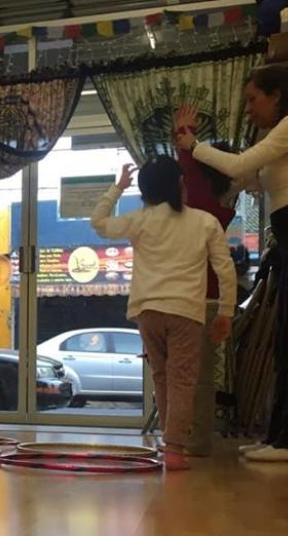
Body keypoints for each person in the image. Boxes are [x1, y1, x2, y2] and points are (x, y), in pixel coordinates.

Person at [176, 64, 288, 462]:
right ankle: (279, 437)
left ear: (277, 96)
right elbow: (241, 175)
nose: (249, 109)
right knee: (284, 339)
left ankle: (287, 441)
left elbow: (239, 167)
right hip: (286, 240)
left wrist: (191, 144)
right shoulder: (277, 135)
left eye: (253, 99)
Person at [91, 159, 236, 470]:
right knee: (182, 380)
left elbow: (99, 222)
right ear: (180, 184)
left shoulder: (139, 221)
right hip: (185, 312)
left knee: (162, 376)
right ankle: (175, 447)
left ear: (145, 191)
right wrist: (225, 311)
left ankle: (171, 441)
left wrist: (117, 188)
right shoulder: (204, 221)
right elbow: (225, 268)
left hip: (147, 311)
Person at [174, 105, 245, 456]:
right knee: (201, 377)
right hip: (212, 297)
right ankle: (195, 438)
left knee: (187, 376)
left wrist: (185, 134)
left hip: (193, 299)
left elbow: (189, 168)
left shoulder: (199, 202)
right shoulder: (223, 198)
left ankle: (192, 440)